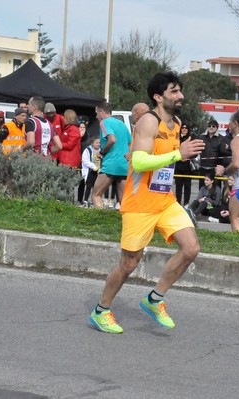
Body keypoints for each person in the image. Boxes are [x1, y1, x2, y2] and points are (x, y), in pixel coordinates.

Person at [88, 71, 205, 334]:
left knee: (191, 248)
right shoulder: (148, 122)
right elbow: (139, 161)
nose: (180, 95)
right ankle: (101, 310)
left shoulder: (175, 122)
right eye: (174, 91)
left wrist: (183, 155)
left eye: (180, 90)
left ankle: (155, 299)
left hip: (165, 201)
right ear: (158, 96)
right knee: (129, 263)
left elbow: (166, 160)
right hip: (140, 203)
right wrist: (178, 154)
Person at [91, 101, 133, 209]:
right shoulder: (122, 124)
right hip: (124, 164)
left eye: (97, 113)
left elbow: (112, 139)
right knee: (124, 200)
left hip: (110, 164)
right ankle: (125, 223)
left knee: (96, 195)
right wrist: (129, 156)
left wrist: (102, 152)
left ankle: (98, 222)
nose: (96, 116)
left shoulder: (104, 122)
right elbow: (131, 142)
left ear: (101, 112)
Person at [198, 119, 224, 189]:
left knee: (215, 189)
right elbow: (197, 150)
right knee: (202, 189)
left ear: (217, 128)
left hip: (215, 169)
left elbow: (223, 154)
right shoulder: (201, 137)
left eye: (213, 126)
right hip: (203, 168)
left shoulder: (222, 138)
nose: (211, 127)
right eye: (209, 126)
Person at [174, 123, 194, 206]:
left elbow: (194, 151)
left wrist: (189, 157)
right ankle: (178, 202)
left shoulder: (190, 139)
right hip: (178, 164)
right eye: (182, 128)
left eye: (186, 128)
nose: (184, 129)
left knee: (187, 186)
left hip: (187, 165)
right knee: (178, 186)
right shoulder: (177, 139)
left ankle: (186, 203)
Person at [81, 137, 101, 207]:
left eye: (99, 143)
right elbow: (85, 161)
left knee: (96, 188)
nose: (98, 144)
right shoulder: (88, 150)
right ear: (92, 143)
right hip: (91, 171)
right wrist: (94, 167)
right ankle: (86, 201)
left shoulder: (101, 150)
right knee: (89, 186)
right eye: (97, 143)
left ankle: (94, 202)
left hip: (99, 172)